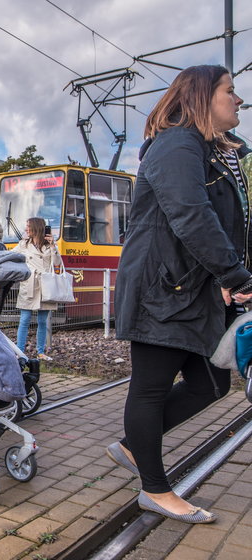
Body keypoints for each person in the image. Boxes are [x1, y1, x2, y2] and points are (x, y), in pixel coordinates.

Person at [111, 65, 251, 524]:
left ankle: (137, 445)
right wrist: (235, 276)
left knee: (211, 382)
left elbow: (229, 222)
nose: (239, 100)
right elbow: (190, 215)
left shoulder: (206, 150)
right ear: (202, 95)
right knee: (150, 388)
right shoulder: (176, 144)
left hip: (188, 289)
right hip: (162, 288)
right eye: (230, 91)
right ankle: (155, 488)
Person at [12, 217, 61, 361]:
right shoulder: (23, 244)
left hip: (45, 286)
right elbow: (11, 255)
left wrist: (53, 247)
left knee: (42, 320)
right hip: (29, 284)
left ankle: (40, 352)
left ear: (36, 228)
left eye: (28, 226)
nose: (26, 229)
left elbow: (57, 264)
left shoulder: (49, 245)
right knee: (24, 319)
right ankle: (20, 352)